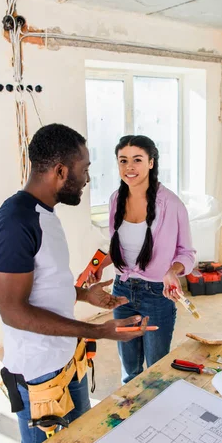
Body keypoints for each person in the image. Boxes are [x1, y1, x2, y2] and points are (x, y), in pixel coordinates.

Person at [0, 124, 148, 443]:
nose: (87, 179)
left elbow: (45, 285)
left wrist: (83, 295)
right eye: (84, 169)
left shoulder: (45, 213)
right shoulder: (16, 223)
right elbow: (13, 311)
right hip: (38, 375)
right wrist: (98, 331)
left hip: (64, 361)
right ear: (61, 171)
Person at [91, 135, 195, 384]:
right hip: (121, 291)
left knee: (155, 371)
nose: (129, 167)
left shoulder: (171, 204)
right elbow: (120, 247)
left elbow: (187, 253)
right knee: (129, 371)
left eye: (137, 160)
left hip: (157, 295)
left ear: (151, 162)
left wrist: (173, 271)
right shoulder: (116, 199)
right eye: (123, 160)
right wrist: (99, 266)